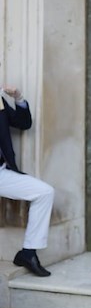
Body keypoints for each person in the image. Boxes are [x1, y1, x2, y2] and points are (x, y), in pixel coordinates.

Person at [0, 86, 54, 277]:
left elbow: (23, 123)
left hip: (2, 173)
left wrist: (18, 98)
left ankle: (28, 253)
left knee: (45, 192)